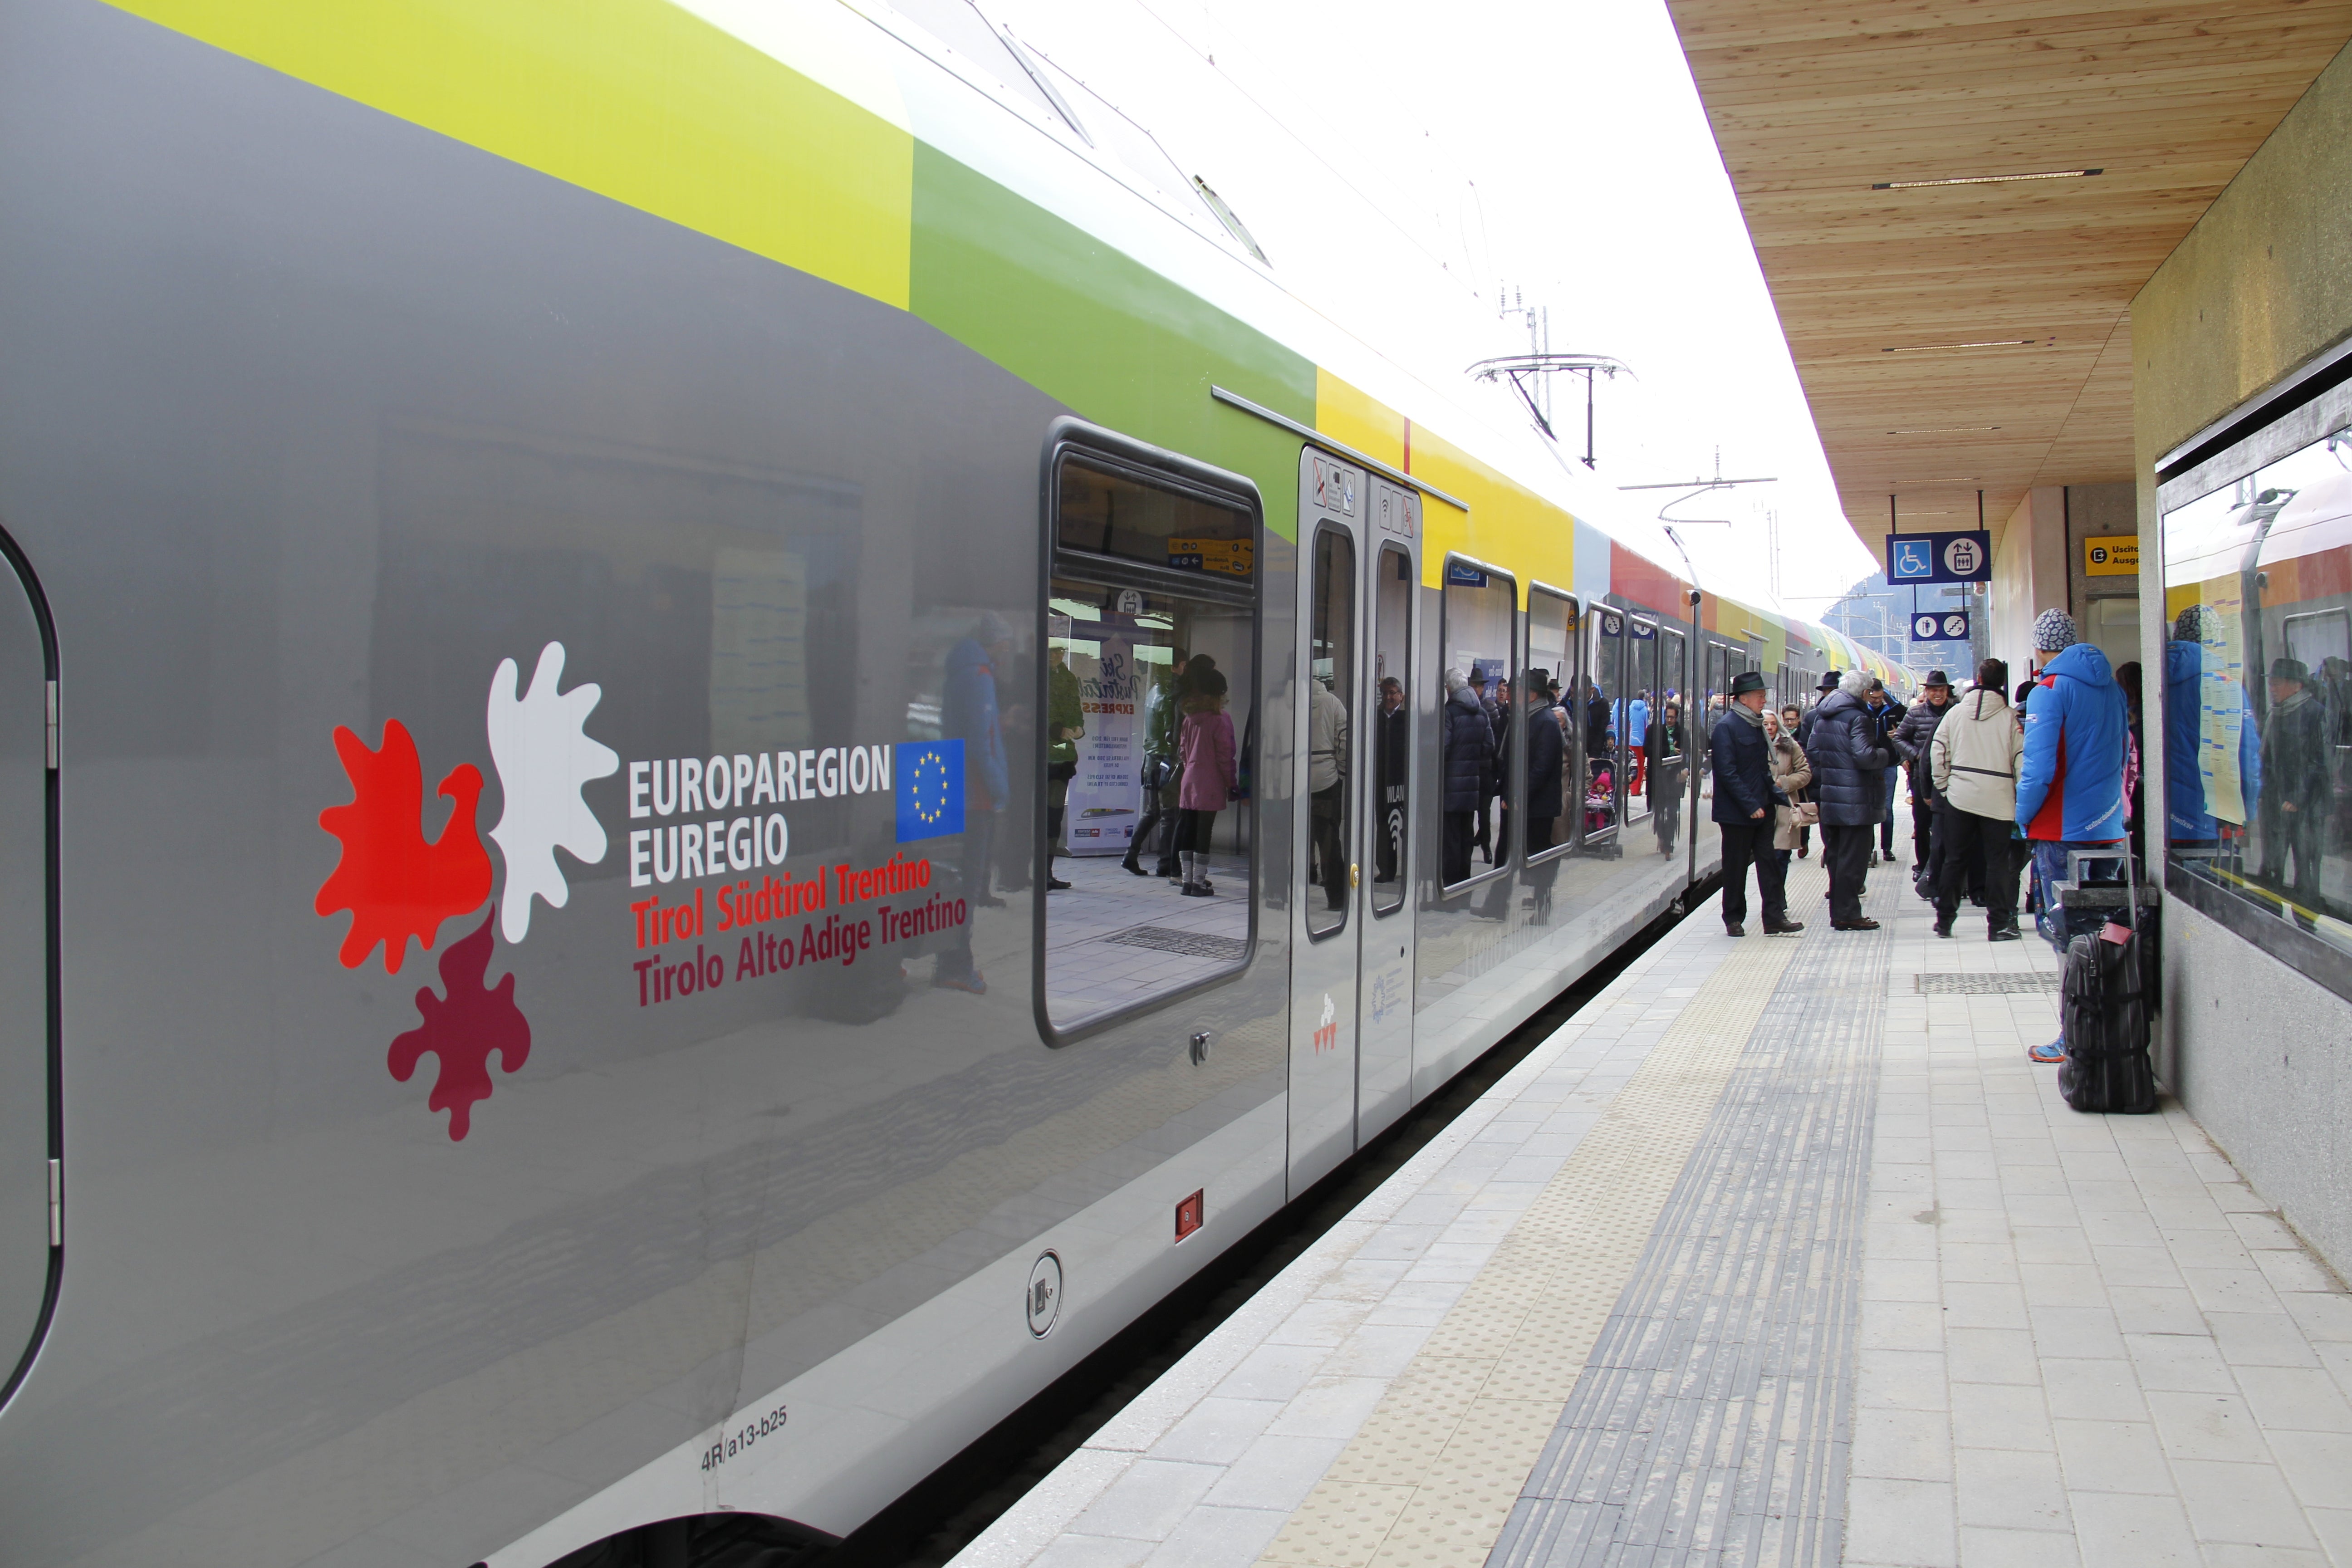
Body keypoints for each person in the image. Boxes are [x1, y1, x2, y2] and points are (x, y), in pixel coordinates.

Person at [2016, 609, 2130, 1062]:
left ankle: (2074, 1034)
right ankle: (2111, 1023)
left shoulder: (2049, 691)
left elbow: (2039, 770)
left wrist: (2022, 820)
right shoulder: (2114, 690)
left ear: (2041, 647)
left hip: (2060, 830)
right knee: (2110, 929)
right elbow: (2123, 752)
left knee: (2066, 934)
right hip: (2108, 827)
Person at [935, 614, 1012, 994]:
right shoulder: (980, 676)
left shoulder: (957, 671)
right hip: (977, 795)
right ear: (995, 643)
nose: (1008, 650)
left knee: (955, 879)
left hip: (954, 788)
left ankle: (947, 959)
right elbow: (982, 745)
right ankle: (956, 965)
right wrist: (1000, 789)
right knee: (967, 883)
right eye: (1005, 643)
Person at [1930, 657, 2024, 941]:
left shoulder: (1955, 714)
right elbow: (2021, 760)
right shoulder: (2010, 718)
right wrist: (2019, 796)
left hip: (1960, 795)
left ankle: (1945, 921)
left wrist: (1945, 787)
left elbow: (1938, 751)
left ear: (1979, 680)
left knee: (1955, 860)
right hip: (1999, 798)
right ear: (2002, 683)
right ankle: (1998, 926)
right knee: (1997, 863)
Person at [2163, 608, 2260, 862]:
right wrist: (2245, 811)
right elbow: (2246, 757)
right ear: (2214, 640)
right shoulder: (2224, 685)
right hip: (2210, 822)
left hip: (2156, 822)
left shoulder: (2151, 680)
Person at [1711, 671, 1802, 936]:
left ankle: (1774, 918)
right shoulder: (1727, 728)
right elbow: (1726, 773)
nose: (1764, 700)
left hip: (1764, 808)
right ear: (1744, 699)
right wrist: (1750, 804)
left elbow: (1762, 768)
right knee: (1736, 867)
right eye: (1760, 696)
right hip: (1737, 813)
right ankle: (1734, 918)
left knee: (1770, 864)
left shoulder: (1756, 725)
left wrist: (1775, 796)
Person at [1809, 669, 1900, 929]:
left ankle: (1839, 912)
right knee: (1854, 860)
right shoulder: (1859, 718)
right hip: (1856, 800)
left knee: (1837, 858)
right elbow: (1865, 757)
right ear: (1862, 693)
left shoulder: (1822, 715)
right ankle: (1848, 915)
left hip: (1831, 797)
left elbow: (1813, 751)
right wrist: (1886, 753)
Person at [2260, 657, 2328, 905]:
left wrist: (2297, 797)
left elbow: (2319, 764)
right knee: (2272, 867)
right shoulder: (2275, 715)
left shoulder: (2315, 714)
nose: (2272, 689)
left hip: (2306, 807)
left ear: (2297, 686)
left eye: (2277, 684)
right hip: (2276, 802)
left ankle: (2307, 919)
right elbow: (2267, 759)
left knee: (2306, 869)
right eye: (2271, 684)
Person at [1123, 650, 1187, 878]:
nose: (1185, 669)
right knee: (1169, 814)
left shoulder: (1154, 690)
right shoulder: (1172, 695)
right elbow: (1173, 735)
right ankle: (1165, 864)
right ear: (1174, 668)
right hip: (1165, 762)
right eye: (1183, 665)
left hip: (1151, 760)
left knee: (1153, 812)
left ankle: (1130, 855)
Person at [1175, 667, 1236, 896]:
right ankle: (1199, 883)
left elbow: (1183, 752)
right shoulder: (1221, 720)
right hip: (1210, 782)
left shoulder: (1189, 719)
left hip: (1189, 779)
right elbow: (1225, 755)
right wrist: (1232, 784)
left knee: (1188, 831)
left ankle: (1187, 881)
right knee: (1204, 833)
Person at [1892, 671, 1955, 891]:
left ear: (1947, 691)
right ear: (1926, 692)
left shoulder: (1956, 712)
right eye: (1933, 690)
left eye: (1941, 690)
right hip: (1922, 777)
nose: (1938, 694)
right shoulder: (1915, 713)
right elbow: (1899, 739)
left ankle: (1943, 868)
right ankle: (1923, 865)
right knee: (1922, 824)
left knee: (1950, 826)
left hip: (1952, 777)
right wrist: (1915, 755)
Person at [1513, 671, 1566, 920]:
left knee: (1541, 855)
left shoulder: (1544, 721)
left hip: (1540, 804)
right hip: (1537, 801)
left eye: (1522, 691)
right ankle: (1538, 899)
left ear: (1533, 695)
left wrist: (1521, 795)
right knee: (1535, 853)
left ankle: (1542, 906)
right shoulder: (1537, 717)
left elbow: (1541, 766)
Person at [1441, 669, 1496, 886]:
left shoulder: (1450, 712)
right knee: (1466, 834)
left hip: (1451, 785)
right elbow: (1489, 746)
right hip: (1473, 784)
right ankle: (1465, 880)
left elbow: (1444, 748)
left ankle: (1451, 883)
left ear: (1450, 688)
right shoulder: (1482, 712)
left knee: (1451, 837)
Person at [1307, 671, 1349, 911]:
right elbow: (1344, 739)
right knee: (1328, 839)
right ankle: (1336, 897)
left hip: (1297, 780)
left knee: (1296, 837)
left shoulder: (1292, 702)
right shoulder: (1333, 703)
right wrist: (1340, 771)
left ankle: (1293, 889)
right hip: (1326, 778)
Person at [1045, 645, 1084, 891]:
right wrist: (1056, 729)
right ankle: (1028, 873)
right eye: (1052, 652)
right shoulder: (1033, 673)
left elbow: (1076, 710)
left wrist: (1079, 727)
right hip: (1040, 755)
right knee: (1036, 817)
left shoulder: (1068, 677)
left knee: (1054, 816)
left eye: (1060, 652)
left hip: (1062, 757)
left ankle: (1046, 873)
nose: (1056, 656)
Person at [1764, 705, 1813, 880]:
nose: (1769, 728)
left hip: (1785, 808)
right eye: (1765, 724)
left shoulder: (1790, 745)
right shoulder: (1752, 746)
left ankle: (1778, 898)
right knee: (1766, 858)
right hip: (1762, 808)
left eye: (1773, 724)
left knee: (1781, 856)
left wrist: (1785, 782)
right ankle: (1773, 898)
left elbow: (1806, 773)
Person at [1865, 678, 1907, 865]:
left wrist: (1899, 733)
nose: (1875, 702)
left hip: (1889, 763)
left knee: (1886, 807)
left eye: (1879, 698)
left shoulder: (1897, 710)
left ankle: (1887, 848)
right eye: (1872, 698)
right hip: (1868, 764)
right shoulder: (1861, 710)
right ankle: (1869, 848)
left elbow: (1909, 731)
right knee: (1868, 807)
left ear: (1883, 694)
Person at [1374, 676, 1407, 884]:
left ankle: (1410, 869)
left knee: (1403, 825)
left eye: (1393, 693)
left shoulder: (1407, 719)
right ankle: (1386, 870)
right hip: (1380, 781)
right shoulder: (1375, 718)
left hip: (1402, 781)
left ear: (1401, 696)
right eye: (1385, 693)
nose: (1388, 697)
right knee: (1383, 825)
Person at [1651, 699, 1686, 856]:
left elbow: (1689, 752)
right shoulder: (1655, 730)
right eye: (1668, 717)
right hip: (1659, 777)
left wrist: (1686, 770)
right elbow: (1648, 750)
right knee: (1659, 811)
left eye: (1672, 718)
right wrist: (1670, 749)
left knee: (1672, 811)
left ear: (1677, 718)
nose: (1670, 720)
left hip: (1675, 778)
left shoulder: (1683, 732)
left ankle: (1669, 842)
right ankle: (1661, 836)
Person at [1780, 703, 1813, 858]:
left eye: (1792, 720)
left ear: (1799, 719)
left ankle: (1803, 841)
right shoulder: (1780, 734)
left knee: (1801, 810)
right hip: (1785, 780)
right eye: (1787, 720)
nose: (1789, 723)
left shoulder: (1805, 734)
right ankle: (1786, 844)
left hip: (1800, 781)